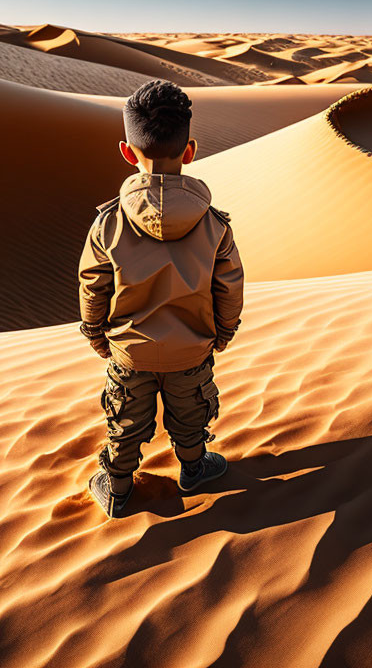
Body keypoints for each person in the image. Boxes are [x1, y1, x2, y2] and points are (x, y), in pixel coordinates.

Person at [77, 79, 245, 518]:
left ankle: (116, 487)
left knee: (126, 422)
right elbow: (229, 285)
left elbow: (93, 284)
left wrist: (96, 333)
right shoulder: (215, 225)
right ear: (189, 151)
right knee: (191, 414)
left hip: (130, 351)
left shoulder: (107, 224)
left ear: (127, 153)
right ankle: (193, 468)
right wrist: (224, 331)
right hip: (192, 348)